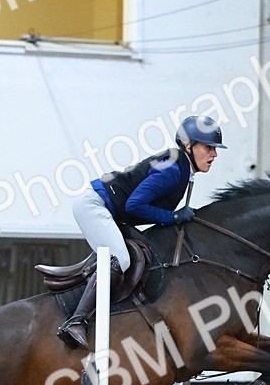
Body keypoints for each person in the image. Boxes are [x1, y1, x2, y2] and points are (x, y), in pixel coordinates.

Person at [57, 115, 225, 348]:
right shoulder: (173, 169)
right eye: (208, 147)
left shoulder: (181, 166)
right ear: (189, 146)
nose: (214, 154)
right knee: (121, 259)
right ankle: (76, 321)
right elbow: (134, 205)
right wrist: (172, 217)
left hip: (108, 211)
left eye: (215, 149)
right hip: (95, 207)